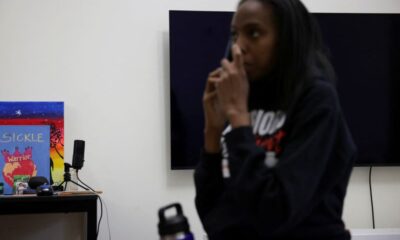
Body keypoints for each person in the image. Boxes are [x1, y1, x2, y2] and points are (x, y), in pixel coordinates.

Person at [193, 0, 357, 239]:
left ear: (287, 40)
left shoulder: (316, 99)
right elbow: (212, 214)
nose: (238, 47)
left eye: (254, 33)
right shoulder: (243, 97)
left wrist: (239, 119)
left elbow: (275, 211)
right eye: (235, 34)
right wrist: (212, 131)